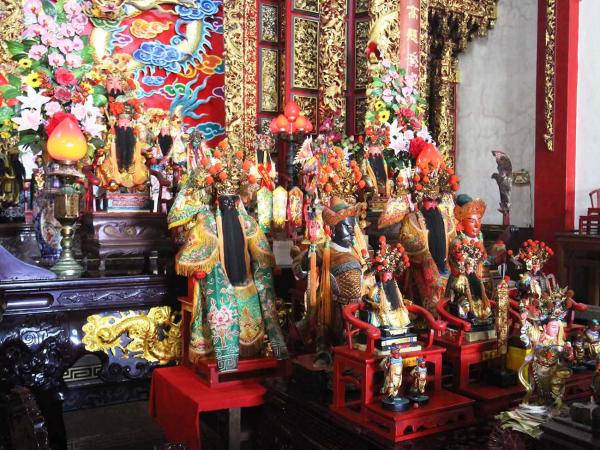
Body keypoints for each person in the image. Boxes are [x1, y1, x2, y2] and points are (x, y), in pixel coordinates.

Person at [167, 139, 288, 372]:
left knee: (262, 285)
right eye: (225, 201)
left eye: (233, 201)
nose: (229, 205)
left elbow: (261, 252)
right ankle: (222, 353)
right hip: (220, 275)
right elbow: (193, 246)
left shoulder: (247, 222)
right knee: (215, 288)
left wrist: (266, 267)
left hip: (245, 278)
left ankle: (268, 344)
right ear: (216, 199)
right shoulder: (207, 222)